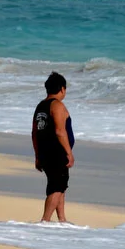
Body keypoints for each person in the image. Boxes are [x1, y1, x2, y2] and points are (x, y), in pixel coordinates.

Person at [32, 72, 75, 222]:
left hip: (45, 151)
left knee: (59, 185)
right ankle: (45, 220)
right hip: (57, 152)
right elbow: (59, 131)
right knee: (57, 187)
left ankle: (62, 220)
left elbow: (34, 132)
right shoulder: (57, 105)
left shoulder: (40, 106)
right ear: (62, 89)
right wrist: (69, 153)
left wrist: (37, 155)